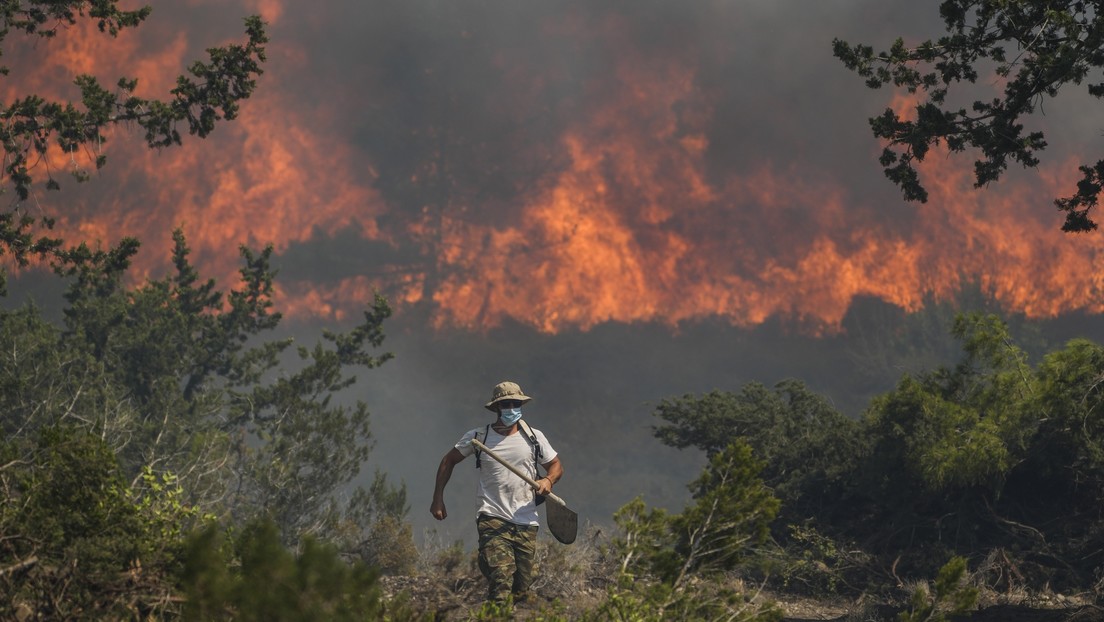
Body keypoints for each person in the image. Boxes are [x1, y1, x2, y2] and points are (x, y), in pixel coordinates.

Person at [430, 381, 564, 604]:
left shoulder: (534, 438)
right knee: (502, 576)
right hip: (492, 516)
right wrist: (438, 499)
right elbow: (448, 460)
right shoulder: (479, 437)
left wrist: (548, 481)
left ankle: (487, 561)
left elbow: (556, 465)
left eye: (515, 403)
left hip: (526, 520)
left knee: (521, 588)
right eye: (506, 404)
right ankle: (495, 607)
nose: (511, 408)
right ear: (497, 408)